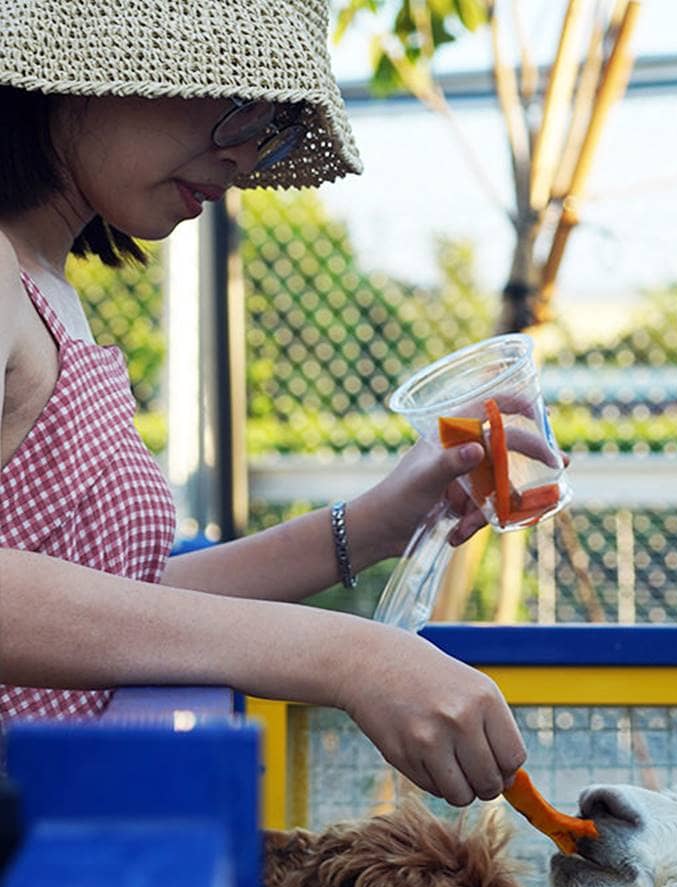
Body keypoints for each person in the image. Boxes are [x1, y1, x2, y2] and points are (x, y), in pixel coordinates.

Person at [0, 0, 527, 807]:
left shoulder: (45, 284)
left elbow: (118, 606)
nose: (246, 155)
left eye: (271, 121)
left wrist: (372, 525)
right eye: (236, 99)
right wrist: (344, 656)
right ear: (93, 62)